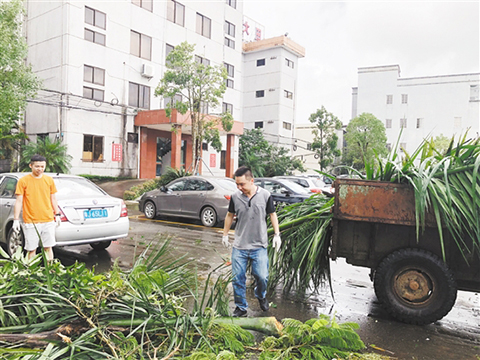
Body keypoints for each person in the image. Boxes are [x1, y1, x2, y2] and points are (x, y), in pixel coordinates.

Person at [222, 166, 281, 317]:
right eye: (237, 184)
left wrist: (277, 234)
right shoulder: (235, 197)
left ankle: (260, 295)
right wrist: (225, 234)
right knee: (237, 278)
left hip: (259, 245)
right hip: (240, 245)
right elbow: (230, 215)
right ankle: (241, 308)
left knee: (262, 276)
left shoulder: (266, 195)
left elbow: (272, 214)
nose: (239, 187)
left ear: (252, 181)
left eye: (242, 184)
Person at [13, 154, 60, 260]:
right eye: (37, 166)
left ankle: (51, 272)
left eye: (42, 167)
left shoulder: (49, 180)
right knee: (31, 249)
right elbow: (19, 201)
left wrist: (57, 214)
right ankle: (31, 273)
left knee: (48, 248)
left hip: (48, 219)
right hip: (31, 221)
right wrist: (16, 219)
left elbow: (53, 198)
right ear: (31, 166)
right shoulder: (23, 181)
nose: (40, 169)